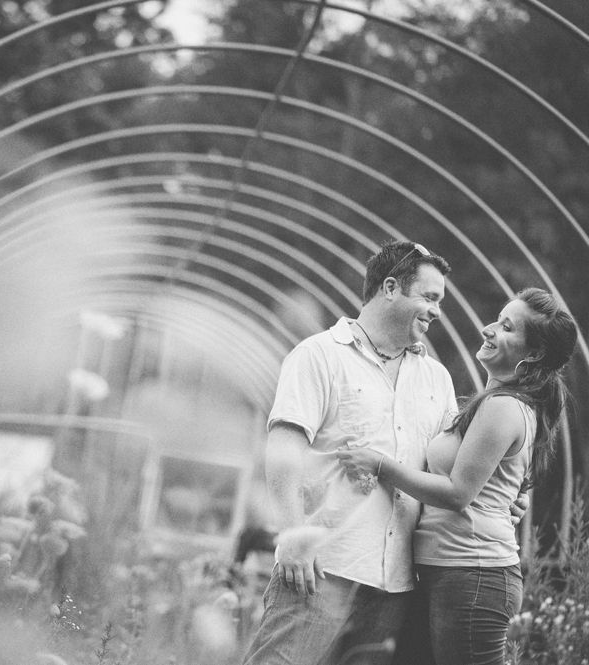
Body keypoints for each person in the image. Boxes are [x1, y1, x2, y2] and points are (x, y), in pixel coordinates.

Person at [336, 287, 577, 665]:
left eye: (507, 327)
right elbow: (496, 487)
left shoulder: (504, 408)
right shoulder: (492, 405)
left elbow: (456, 493)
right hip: (447, 571)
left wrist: (380, 464)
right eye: (498, 319)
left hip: (473, 574)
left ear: (533, 354)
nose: (488, 328)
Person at [242, 240, 456, 665]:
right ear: (390, 287)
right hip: (321, 569)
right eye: (429, 297)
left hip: (395, 584)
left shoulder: (437, 379)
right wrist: (293, 535)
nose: (436, 311)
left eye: (440, 301)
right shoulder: (319, 355)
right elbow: (285, 447)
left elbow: (448, 466)